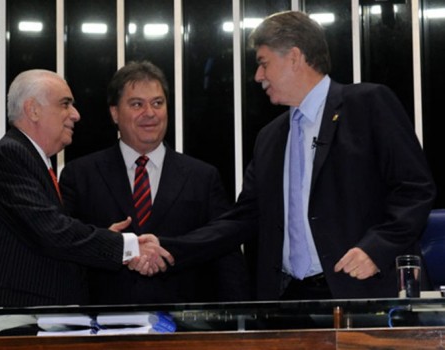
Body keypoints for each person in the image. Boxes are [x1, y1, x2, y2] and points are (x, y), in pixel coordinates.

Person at [156, 10, 436, 300]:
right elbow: (241, 219)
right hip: (289, 301)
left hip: (365, 292)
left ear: (294, 57)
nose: (257, 76)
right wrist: (169, 247)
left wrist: (376, 249)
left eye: (263, 63)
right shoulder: (269, 138)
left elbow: (415, 189)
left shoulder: (367, 105)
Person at [0, 69, 173, 307]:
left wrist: (108, 241)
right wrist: (127, 246)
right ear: (33, 110)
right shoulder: (10, 155)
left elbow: (50, 237)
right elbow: (53, 233)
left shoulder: (34, 161)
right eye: (65, 104)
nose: (75, 115)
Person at [59, 60, 251, 304]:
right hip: (104, 327)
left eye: (157, 103)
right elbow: (66, 251)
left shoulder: (202, 177)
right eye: (137, 104)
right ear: (115, 113)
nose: (149, 113)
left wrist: (239, 330)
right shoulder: (80, 175)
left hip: (182, 329)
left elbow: (225, 256)